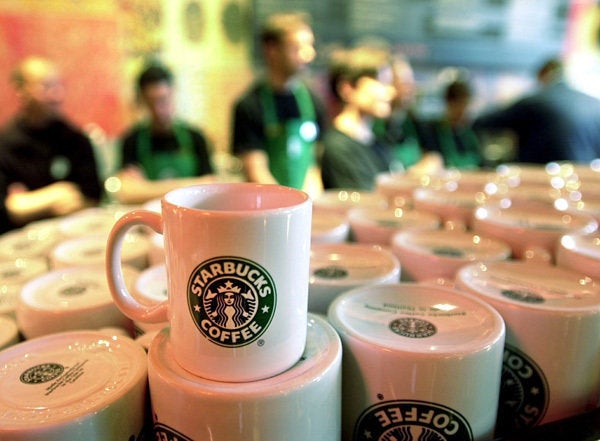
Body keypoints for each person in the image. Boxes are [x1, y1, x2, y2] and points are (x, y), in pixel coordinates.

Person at [0, 56, 102, 234]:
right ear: (21, 91)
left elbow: (92, 195)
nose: (57, 95)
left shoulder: (75, 138)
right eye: (46, 86)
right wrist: (58, 193)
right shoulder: (5, 143)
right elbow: (6, 210)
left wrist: (28, 203)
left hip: (71, 234)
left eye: (58, 85)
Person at [230, 12, 327, 196]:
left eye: (310, 46)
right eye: (297, 48)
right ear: (272, 50)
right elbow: (255, 171)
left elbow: (315, 161)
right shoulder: (249, 105)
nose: (309, 55)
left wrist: (309, 199)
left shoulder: (314, 100)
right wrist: (287, 205)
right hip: (266, 208)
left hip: (307, 203)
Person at [115, 63, 216, 205]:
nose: (158, 110)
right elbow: (127, 192)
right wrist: (192, 185)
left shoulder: (195, 137)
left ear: (173, 93)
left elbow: (211, 187)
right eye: (151, 102)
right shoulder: (133, 140)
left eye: (163, 100)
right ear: (142, 100)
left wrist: (147, 189)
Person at [473, 57, 600, 164]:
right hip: (586, 178)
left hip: (542, 176)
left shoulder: (536, 101)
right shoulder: (595, 104)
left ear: (545, 74)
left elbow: (484, 121)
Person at [320, 45, 396, 190]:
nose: (391, 92)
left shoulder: (374, 141)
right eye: (382, 82)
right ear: (347, 88)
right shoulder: (338, 146)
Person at [374, 53, 442, 174]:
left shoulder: (415, 123)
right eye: (404, 82)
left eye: (411, 81)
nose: (411, 87)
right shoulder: (373, 126)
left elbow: (434, 157)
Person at [421, 78, 483, 169]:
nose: (464, 111)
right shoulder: (432, 133)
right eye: (460, 105)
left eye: (466, 105)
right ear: (449, 103)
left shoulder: (473, 132)